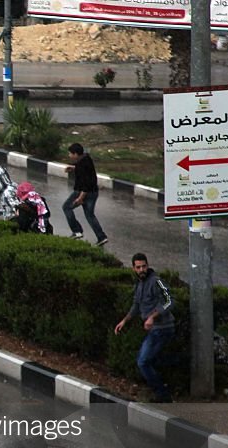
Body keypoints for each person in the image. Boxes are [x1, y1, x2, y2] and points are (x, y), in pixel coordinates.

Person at [114, 253, 175, 403]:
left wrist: (152, 317)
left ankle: (162, 394)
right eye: (138, 267)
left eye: (144, 266)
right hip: (153, 329)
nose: (142, 270)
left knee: (143, 361)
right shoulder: (139, 284)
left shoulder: (156, 281)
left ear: (148, 266)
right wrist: (125, 320)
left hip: (162, 328)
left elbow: (170, 300)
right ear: (134, 268)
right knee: (150, 360)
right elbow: (136, 305)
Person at [63, 143, 108, 246]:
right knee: (89, 215)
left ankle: (77, 231)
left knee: (66, 207)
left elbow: (85, 184)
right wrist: (74, 168)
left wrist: (80, 198)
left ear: (75, 154)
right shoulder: (86, 159)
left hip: (83, 192)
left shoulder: (82, 164)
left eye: (70, 154)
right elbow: (85, 171)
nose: (69, 156)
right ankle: (101, 237)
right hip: (94, 192)